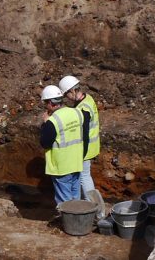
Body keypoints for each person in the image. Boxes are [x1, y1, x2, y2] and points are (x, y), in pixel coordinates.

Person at [59, 75, 105, 217]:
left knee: (84, 178)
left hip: (86, 149)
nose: (66, 98)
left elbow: (84, 133)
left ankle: (94, 210)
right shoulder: (87, 98)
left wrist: (81, 153)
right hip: (91, 146)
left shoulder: (83, 109)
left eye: (66, 94)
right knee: (85, 177)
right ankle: (95, 210)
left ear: (72, 91)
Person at [40, 85, 90, 206]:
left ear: (51, 103)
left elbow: (45, 143)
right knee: (75, 197)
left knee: (65, 202)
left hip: (61, 167)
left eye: (45, 103)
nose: (45, 106)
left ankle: (69, 223)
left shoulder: (53, 121)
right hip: (76, 163)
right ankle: (78, 221)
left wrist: (45, 123)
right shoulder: (77, 112)